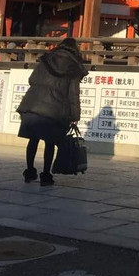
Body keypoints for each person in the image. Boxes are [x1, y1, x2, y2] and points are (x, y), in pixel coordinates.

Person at [16, 37, 87, 186]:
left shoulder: (46, 59)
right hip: (55, 109)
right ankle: (46, 175)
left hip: (34, 105)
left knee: (33, 139)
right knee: (50, 142)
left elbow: (32, 79)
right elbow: (73, 94)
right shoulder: (73, 66)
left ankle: (29, 171)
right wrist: (75, 116)